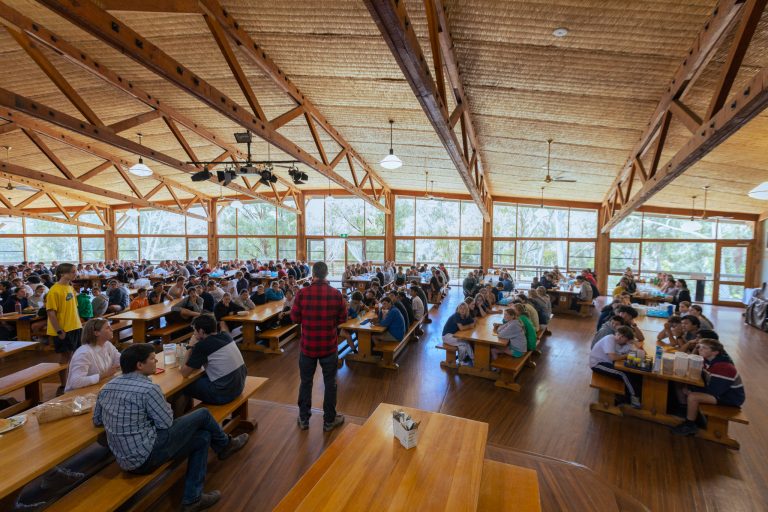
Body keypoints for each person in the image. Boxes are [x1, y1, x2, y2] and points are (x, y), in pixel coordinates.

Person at [94, 343, 248, 511]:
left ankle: (193, 499)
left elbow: (97, 420)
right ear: (139, 365)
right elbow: (166, 423)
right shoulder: (148, 389)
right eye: (152, 359)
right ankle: (225, 445)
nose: (155, 362)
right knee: (202, 414)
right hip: (146, 457)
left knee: (202, 437)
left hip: (123, 459)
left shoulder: (106, 388)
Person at [290, 262, 347, 432]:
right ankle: (329, 420)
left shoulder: (302, 293)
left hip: (308, 347)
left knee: (306, 383)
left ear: (313, 274)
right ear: (327, 273)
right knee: (330, 384)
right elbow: (343, 318)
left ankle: (304, 418)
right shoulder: (336, 294)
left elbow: (295, 318)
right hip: (329, 346)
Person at [672, 339, 745, 436]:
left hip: (730, 397)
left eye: (704, 348)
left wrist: (691, 391)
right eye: (700, 347)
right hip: (718, 391)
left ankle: (690, 425)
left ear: (715, 352)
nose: (700, 349)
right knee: (681, 383)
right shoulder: (707, 360)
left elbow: (715, 391)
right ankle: (685, 409)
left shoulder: (723, 367)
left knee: (693, 397)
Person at [179, 315, 247, 410]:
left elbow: (184, 372)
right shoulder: (226, 336)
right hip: (240, 386)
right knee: (198, 379)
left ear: (202, 331)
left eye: (195, 330)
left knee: (182, 388)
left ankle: (181, 420)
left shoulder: (202, 346)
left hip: (223, 394)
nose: (193, 334)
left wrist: (190, 347)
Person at [47, 263, 83, 394]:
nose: (76, 274)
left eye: (75, 271)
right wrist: (58, 330)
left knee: (75, 356)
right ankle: (63, 385)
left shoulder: (70, 287)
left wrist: (79, 322)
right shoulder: (54, 290)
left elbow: (74, 308)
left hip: (75, 326)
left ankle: (72, 381)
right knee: (65, 357)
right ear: (63, 274)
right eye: (73, 272)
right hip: (64, 329)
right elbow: (51, 312)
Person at [589, 325, 643, 408]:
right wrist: (627, 355)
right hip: (598, 364)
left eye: (623, 337)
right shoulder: (609, 339)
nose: (619, 337)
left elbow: (639, 352)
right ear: (616, 333)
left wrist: (633, 343)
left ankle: (628, 396)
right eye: (618, 334)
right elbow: (613, 357)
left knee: (632, 373)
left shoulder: (622, 344)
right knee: (623, 374)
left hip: (609, 362)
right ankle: (634, 400)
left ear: (627, 340)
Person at [65, 318, 120, 392]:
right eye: (107, 328)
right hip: (77, 395)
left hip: (98, 388)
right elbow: (75, 382)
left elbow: (120, 359)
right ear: (96, 333)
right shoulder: (84, 353)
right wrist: (104, 375)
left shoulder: (107, 345)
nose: (112, 329)